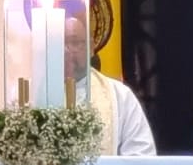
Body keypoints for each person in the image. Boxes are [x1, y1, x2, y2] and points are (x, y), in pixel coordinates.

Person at [66, 15, 156, 156]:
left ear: (91, 47)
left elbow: (141, 156)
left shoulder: (120, 96)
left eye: (74, 42)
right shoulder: (33, 95)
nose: (65, 51)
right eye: (57, 43)